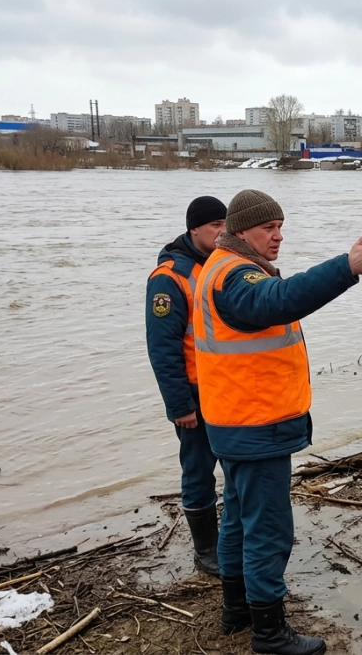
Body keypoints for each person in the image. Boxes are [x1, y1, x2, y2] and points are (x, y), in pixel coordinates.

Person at [193, 189, 362, 655]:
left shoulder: (218, 268)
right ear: (240, 229)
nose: (278, 236)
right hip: (254, 423)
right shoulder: (234, 276)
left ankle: (237, 609)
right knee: (267, 529)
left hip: (233, 420)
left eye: (281, 226)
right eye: (269, 228)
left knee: (239, 520)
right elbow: (280, 299)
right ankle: (268, 633)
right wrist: (345, 268)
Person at [145, 195, 228, 576]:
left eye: (227, 224)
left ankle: (230, 537)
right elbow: (162, 349)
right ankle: (205, 550)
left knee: (235, 463)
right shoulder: (169, 278)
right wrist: (180, 406)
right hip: (194, 392)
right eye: (215, 226)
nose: (223, 231)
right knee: (198, 471)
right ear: (194, 228)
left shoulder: (223, 264)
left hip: (226, 386)